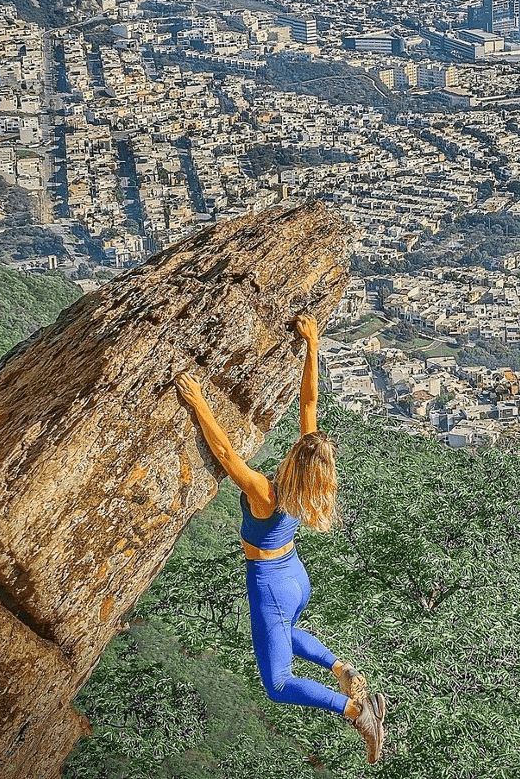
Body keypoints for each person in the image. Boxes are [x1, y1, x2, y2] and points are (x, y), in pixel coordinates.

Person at [175, 312, 389, 763]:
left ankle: (355, 710)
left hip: (270, 583)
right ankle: (340, 667)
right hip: (295, 576)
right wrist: (313, 344)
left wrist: (199, 403)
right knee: (284, 631)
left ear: (297, 456)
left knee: (277, 684)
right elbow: (309, 404)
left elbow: (226, 452)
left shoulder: (266, 492)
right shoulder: (307, 489)